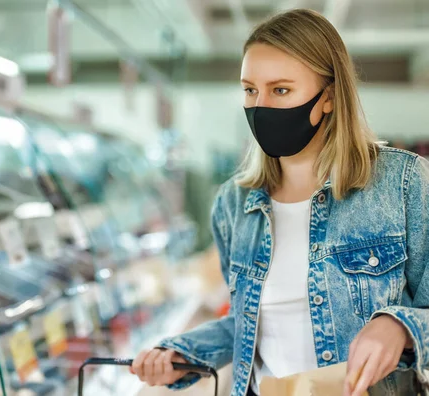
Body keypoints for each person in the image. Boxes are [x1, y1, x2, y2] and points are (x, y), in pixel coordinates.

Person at [131, 8, 429, 396]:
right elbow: (248, 322)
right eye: (250, 90)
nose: (261, 105)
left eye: (281, 90)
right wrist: (180, 355)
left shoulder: (402, 183)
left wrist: (401, 327)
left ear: (329, 97)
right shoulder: (233, 205)